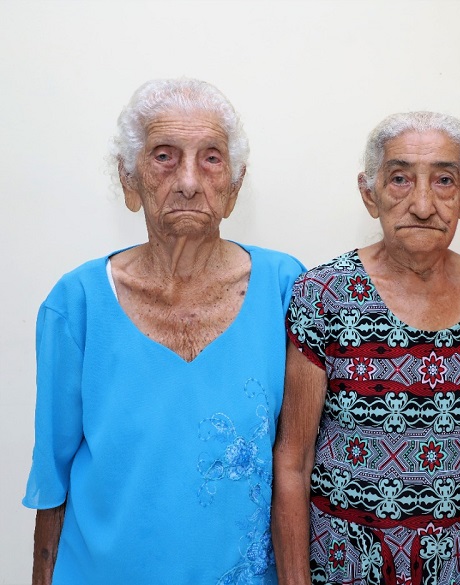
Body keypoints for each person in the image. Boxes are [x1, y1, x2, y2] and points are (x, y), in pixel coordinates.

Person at [23, 78, 304, 584]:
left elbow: (305, 458)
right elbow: (53, 480)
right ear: (129, 179)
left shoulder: (286, 289)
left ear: (235, 185)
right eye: (164, 157)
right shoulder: (77, 302)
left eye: (211, 158)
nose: (189, 182)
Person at [272, 111, 460, 585]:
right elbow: (293, 461)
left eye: (444, 180)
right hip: (345, 569)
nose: (423, 205)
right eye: (400, 179)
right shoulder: (324, 295)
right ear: (370, 194)